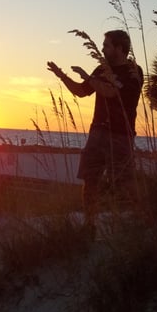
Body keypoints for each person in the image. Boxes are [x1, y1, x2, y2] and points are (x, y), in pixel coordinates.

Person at [47, 29, 143, 234]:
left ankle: (142, 220)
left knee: (125, 180)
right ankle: (89, 224)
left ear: (119, 48)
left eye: (107, 45)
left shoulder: (133, 71)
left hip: (120, 135)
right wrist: (61, 75)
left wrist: (87, 77)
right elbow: (81, 92)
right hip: (97, 133)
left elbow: (112, 92)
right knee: (90, 179)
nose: (102, 48)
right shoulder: (101, 70)